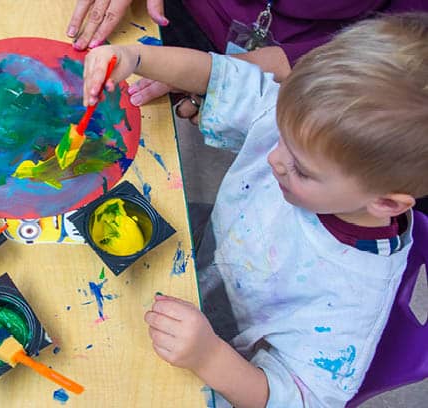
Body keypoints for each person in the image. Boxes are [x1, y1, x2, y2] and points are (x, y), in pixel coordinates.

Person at [83, 13, 428, 407]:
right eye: (281, 134)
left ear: (385, 203)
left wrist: (210, 358)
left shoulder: (351, 298)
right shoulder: (309, 130)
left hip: (222, 356)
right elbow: (220, 77)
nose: (274, 159)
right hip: (207, 253)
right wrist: (135, 57)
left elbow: (303, 400)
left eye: (301, 168)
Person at [70, 0, 428, 120]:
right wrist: (135, 55)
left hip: (307, 65)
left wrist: (220, 80)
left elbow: (401, 54)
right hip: (171, 15)